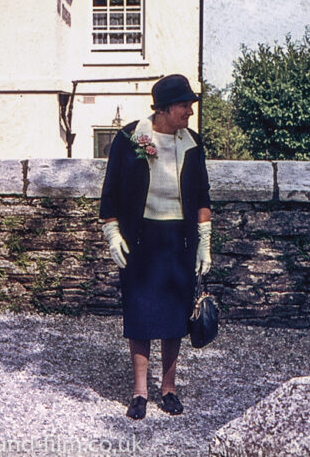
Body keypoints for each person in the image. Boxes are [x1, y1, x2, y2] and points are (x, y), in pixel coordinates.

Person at [99, 74, 212, 420]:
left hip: (178, 239)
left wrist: (204, 242)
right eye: (185, 106)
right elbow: (110, 192)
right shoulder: (130, 139)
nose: (190, 113)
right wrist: (112, 233)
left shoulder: (192, 142)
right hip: (140, 240)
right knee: (140, 314)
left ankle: (169, 388)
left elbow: (203, 195)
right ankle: (139, 392)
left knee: (175, 316)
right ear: (163, 109)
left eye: (191, 106)